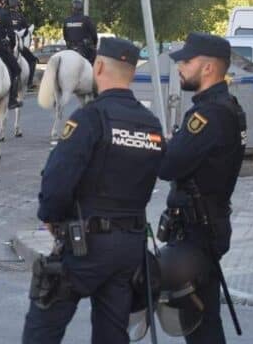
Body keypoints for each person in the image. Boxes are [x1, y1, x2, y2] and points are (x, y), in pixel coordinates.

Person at [22, 38, 166, 344]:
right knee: (112, 335)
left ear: (98, 66)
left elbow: (58, 180)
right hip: (130, 247)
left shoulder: (90, 118)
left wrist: (50, 217)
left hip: (85, 245)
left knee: (42, 326)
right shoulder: (152, 124)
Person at [158, 32, 247, 344]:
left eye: (187, 61)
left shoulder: (208, 115)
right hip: (207, 224)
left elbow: (167, 166)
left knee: (198, 324)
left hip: (197, 230)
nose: (180, 66)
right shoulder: (227, 107)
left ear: (208, 68)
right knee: (203, 321)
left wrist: (169, 147)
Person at [9, 0, 38, 87]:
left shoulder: (4, 15)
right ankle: (29, 82)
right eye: (18, 6)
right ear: (16, 7)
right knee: (33, 60)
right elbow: (26, 31)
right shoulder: (20, 17)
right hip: (16, 44)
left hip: (4, 44)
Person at [63, 0, 98, 64]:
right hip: (84, 48)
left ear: (72, 8)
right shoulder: (86, 19)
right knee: (96, 61)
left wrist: (69, 44)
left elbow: (65, 36)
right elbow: (94, 35)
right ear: (81, 8)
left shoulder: (67, 20)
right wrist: (94, 44)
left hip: (70, 48)